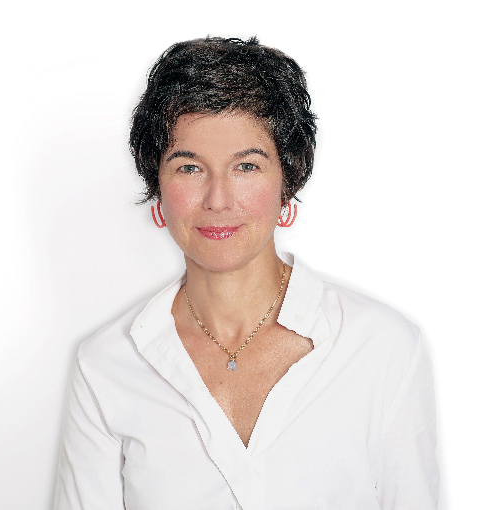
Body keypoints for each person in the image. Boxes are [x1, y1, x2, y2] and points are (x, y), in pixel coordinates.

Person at [53, 37, 439, 510]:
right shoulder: (107, 365)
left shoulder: (382, 346)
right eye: (189, 168)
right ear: (158, 189)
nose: (218, 200)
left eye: (247, 166)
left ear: (286, 182)